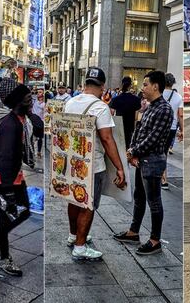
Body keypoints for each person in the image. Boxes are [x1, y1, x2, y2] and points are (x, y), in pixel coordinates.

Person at [64, 67, 126, 260]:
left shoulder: (70, 102)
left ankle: (73, 236)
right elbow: (107, 139)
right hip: (92, 164)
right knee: (88, 206)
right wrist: (120, 167)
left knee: (74, 200)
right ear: (103, 86)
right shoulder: (100, 107)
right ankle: (80, 247)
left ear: (85, 83)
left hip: (71, 162)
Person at [114, 71, 173, 256]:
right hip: (142, 160)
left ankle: (155, 240)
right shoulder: (150, 106)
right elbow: (139, 131)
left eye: (146, 84)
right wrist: (133, 151)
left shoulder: (164, 109)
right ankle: (134, 232)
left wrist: (132, 151)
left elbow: (153, 139)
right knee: (139, 196)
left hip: (153, 161)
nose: (142, 88)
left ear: (156, 86)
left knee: (154, 201)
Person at [0, 84, 32, 277]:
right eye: (27, 98)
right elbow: (4, 157)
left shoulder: (21, 119)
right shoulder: (10, 125)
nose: (31, 100)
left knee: (24, 211)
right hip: (4, 180)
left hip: (13, 177)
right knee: (6, 217)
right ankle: (4, 258)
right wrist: (7, 190)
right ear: (16, 102)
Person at [161, 73, 183, 190]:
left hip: (160, 128)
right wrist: (182, 130)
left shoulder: (159, 94)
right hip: (172, 128)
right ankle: (164, 178)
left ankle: (162, 178)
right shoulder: (178, 97)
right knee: (164, 153)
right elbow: (180, 115)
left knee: (159, 152)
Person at [110, 77, 142, 149]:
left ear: (122, 84)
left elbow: (111, 114)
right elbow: (136, 118)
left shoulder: (116, 99)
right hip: (130, 128)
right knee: (128, 147)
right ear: (130, 85)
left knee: (119, 148)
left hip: (119, 127)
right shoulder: (136, 99)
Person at [32, 89, 45, 158]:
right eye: (38, 92)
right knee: (33, 137)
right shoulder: (34, 101)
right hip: (34, 122)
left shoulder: (45, 104)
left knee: (40, 138)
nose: (38, 93)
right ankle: (32, 151)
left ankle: (39, 152)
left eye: (40, 92)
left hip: (41, 122)